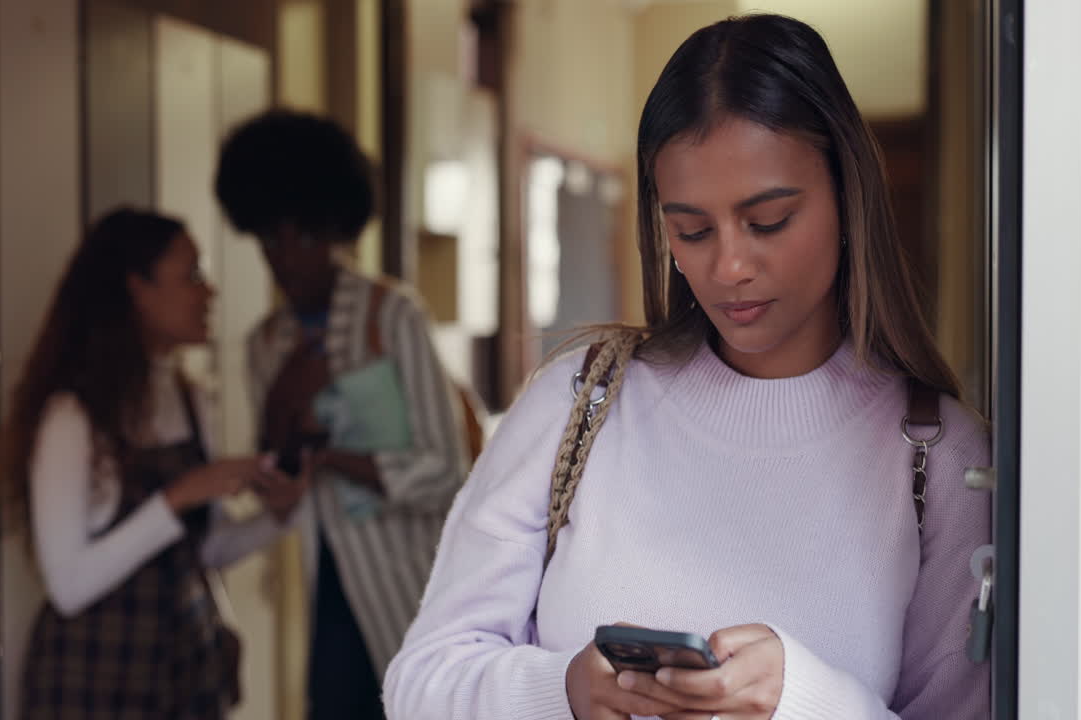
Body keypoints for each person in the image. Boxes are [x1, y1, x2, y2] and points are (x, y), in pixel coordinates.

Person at [384, 14, 990, 720]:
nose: (729, 266)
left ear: (848, 197)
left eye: (769, 221)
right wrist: (563, 691)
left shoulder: (940, 458)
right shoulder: (579, 402)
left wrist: (801, 700)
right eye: (691, 231)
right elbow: (421, 681)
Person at [215, 109, 471, 720]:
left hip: (412, 581)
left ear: (333, 229)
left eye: (303, 237)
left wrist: (332, 457)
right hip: (325, 590)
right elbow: (275, 475)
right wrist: (288, 394)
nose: (286, 258)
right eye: (271, 240)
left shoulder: (391, 315)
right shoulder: (266, 344)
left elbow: (447, 469)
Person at [0, 208, 286, 719]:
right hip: (95, 677)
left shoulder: (190, 400)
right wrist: (180, 496)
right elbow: (68, 587)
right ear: (138, 289)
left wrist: (283, 514)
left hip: (183, 670)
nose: (209, 291)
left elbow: (205, 551)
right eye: (191, 275)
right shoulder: (73, 415)